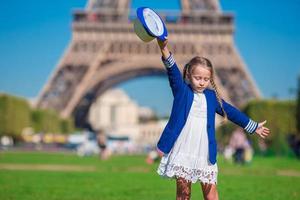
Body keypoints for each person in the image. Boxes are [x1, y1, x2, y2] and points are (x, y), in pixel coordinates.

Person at [155, 39, 270, 200]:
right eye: (197, 78)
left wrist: (252, 125)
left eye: (206, 79)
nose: (202, 82)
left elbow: (231, 111)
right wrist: (164, 47)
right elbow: (172, 70)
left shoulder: (211, 97)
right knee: (183, 195)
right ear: (188, 75)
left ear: (210, 79)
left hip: (205, 151)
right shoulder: (182, 91)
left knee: (211, 196)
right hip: (184, 150)